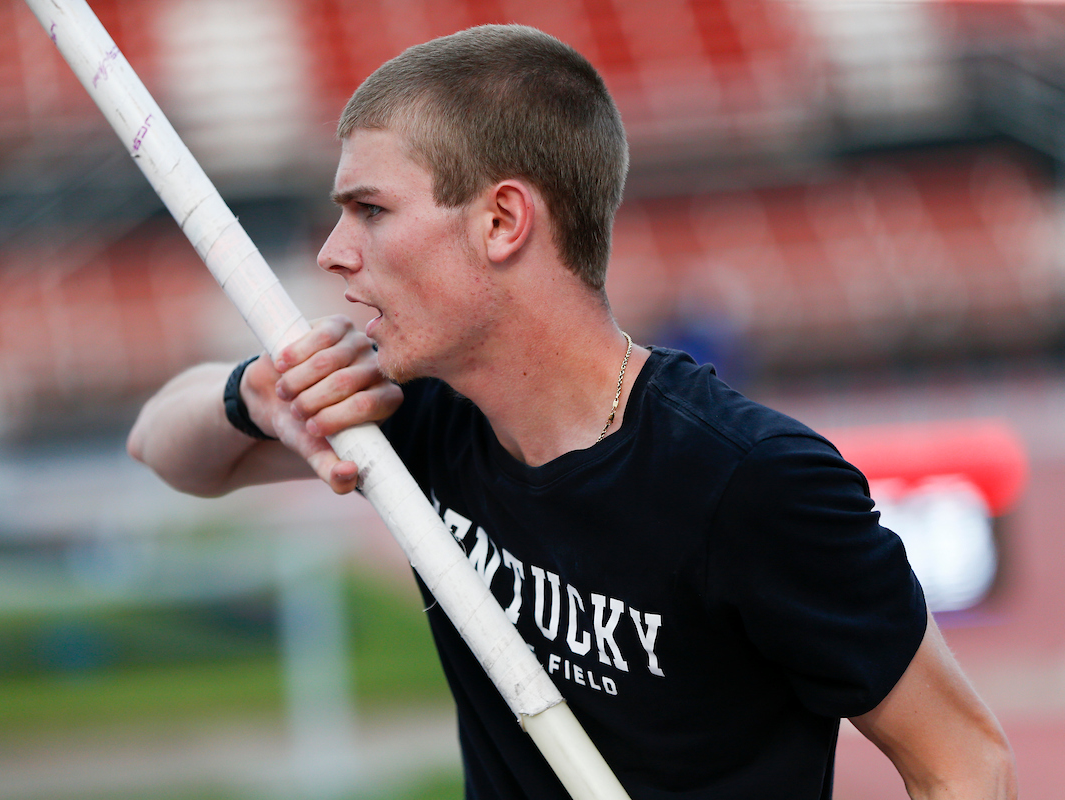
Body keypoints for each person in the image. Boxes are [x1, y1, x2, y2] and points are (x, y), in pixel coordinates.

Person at [128, 24, 1016, 800]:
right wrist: (255, 397)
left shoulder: (745, 481)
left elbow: (964, 763)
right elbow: (163, 447)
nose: (332, 254)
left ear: (503, 220)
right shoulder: (420, 416)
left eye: (370, 210)